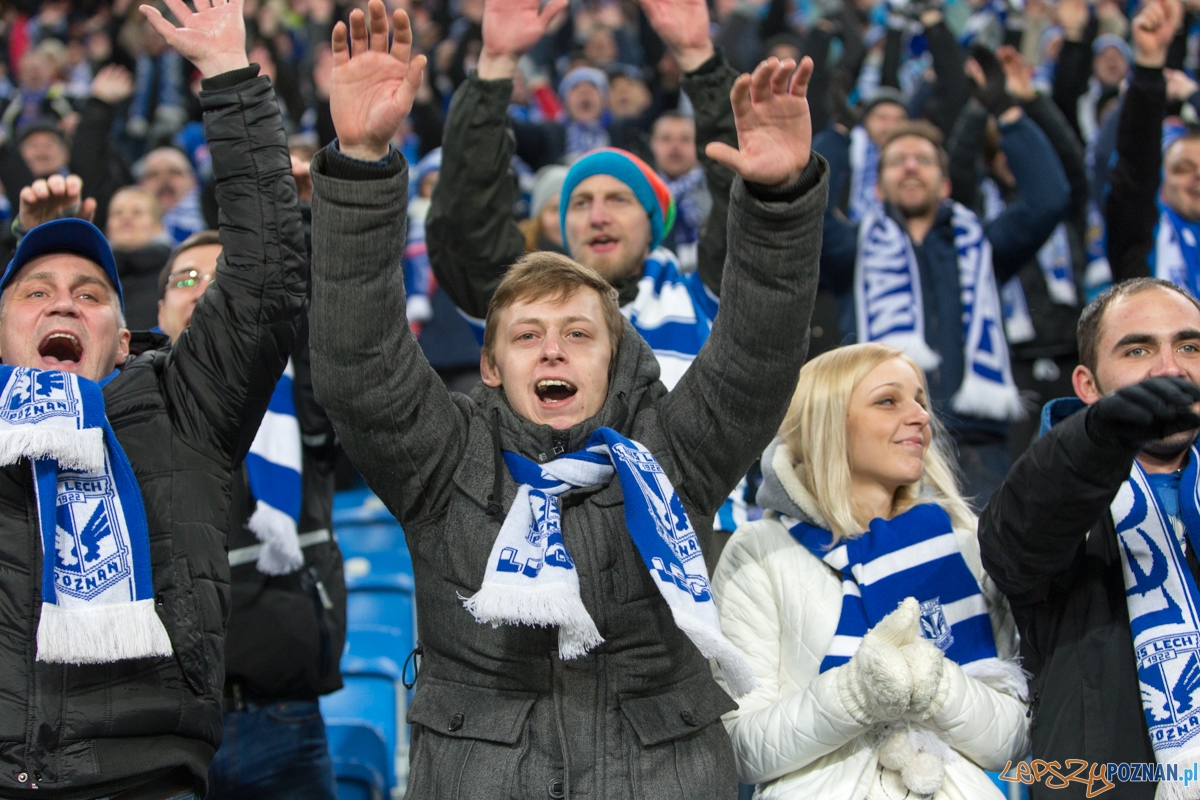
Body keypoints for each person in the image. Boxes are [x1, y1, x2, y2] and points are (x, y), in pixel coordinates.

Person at [307, 1, 828, 796]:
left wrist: (782, 203)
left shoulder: (671, 447)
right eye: (528, 335)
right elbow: (358, 362)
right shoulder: (446, 458)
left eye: (579, 334)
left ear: (617, 354)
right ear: (488, 366)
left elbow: (758, 354)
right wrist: (361, 162)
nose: (552, 348)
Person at [0, 0, 306, 793]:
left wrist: (232, 76)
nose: (64, 303)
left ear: (126, 338)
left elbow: (268, 282)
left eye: (90, 294)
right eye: (36, 291)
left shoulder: (179, 409)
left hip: (145, 775)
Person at [713, 343, 1028, 799]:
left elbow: (1013, 741)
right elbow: (740, 749)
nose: (920, 416)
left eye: (920, 400)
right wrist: (857, 694)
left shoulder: (964, 543)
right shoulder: (760, 551)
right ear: (828, 425)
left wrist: (936, 685)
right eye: (888, 400)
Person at [426, 0, 739, 393]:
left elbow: (743, 201)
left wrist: (700, 62)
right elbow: (467, 223)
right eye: (580, 203)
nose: (598, 216)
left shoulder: (709, 297)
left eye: (619, 200)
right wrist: (494, 69)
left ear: (652, 224)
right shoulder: (524, 306)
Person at [978, 277, 1200, 797]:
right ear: (1087, 386)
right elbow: (1015, 544)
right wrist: (1095, 438)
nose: (1169, 367)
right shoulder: (1054, 498)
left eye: (1189, 346)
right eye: (1138, 348)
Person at [153, 232, 347, 800]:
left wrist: (306, 227)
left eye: (224, 278)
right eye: (187, 279)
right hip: (163, 732)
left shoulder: (303, 398)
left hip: (282, 720)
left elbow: (327, 325)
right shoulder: (125, 417)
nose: (206, 291)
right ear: (156, 310)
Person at [819, 114, 1071, 503]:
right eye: (897, 160)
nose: (910, 167)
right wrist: (839, 134)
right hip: (881, 446)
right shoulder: (852, 250)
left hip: (978, 448)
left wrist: (1012, 116)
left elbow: (1048, 198)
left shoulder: (983, 245)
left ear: (946, 183)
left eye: (923, 159)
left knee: (986, 562)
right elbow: (808, 210)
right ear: (878, 187)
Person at [1106, 0, 1196, 289]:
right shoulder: (1140, 239)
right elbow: (1135, 166)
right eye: (1183, 168)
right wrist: (1148, 67)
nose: (1198, 178)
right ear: (1161, 180)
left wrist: (1194, 96)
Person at [108, 186, 173, 331]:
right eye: (117, 213)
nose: (125, 218)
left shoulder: (173, 272)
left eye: (137, 212)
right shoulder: (98, 273)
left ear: (157, 226)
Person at [136, 147, 207, 245]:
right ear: (140, 184)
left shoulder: (212, 213)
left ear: (193, 180)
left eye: (174, 172)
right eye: (153, 174)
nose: (164, 179)